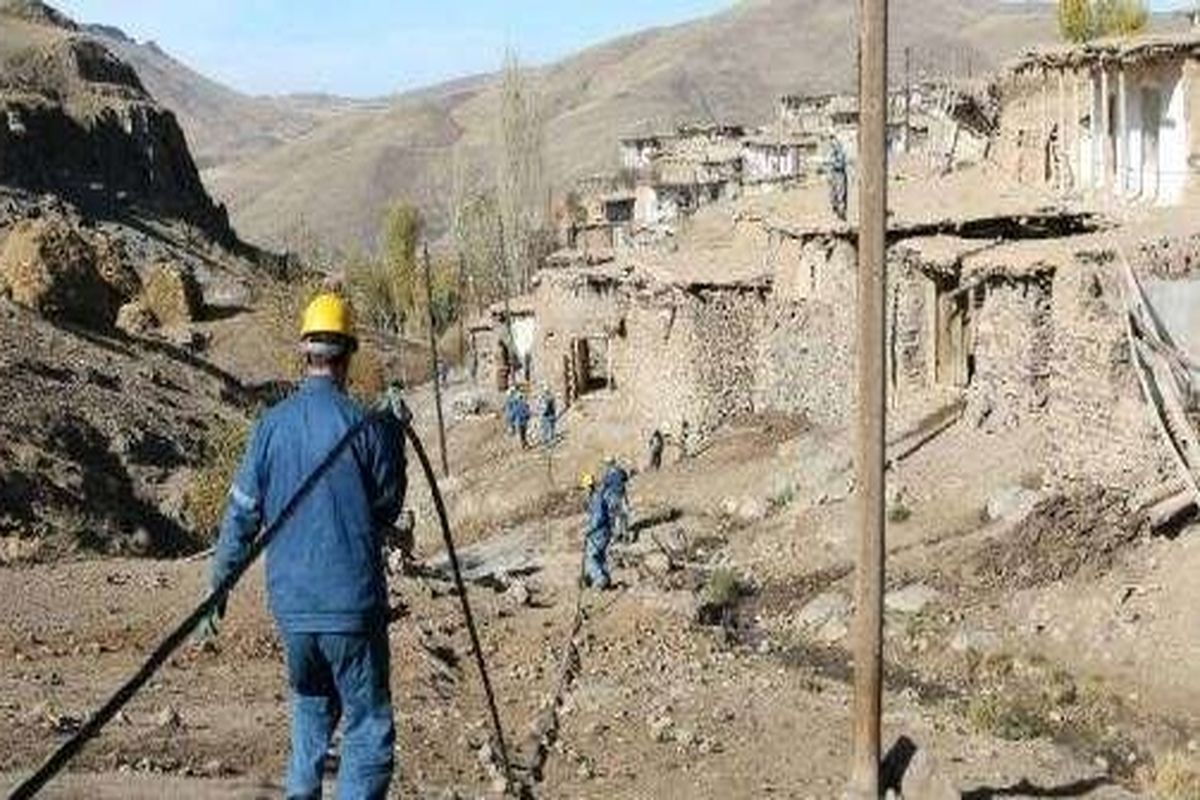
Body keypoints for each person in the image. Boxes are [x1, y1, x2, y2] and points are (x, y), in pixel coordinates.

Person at [199, 293, 407, 800]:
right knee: (367, 730)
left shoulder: (270, 427)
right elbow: (387, 506)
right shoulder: (365, 426)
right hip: (352, 609)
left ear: (304, 353)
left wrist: (217, 588)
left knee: (310, 719)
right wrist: (394, 436)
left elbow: (241, 515)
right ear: (348, 355)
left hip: (292, 613)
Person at [581, 471, 613, 590]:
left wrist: (588, 530)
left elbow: (598, 518)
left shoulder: (597, 499)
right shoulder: (594, 498)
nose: (583, 492)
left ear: (589, 487)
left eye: (584, 488)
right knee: (600, 557)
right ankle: (606, 579)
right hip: (602, 532)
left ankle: (600, 579)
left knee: (590, 557)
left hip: (600, 533)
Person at [602, 458, 632, 543]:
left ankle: (615, 537)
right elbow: (626, 478)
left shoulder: (607, 475)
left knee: (613, 518)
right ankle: (625, 536)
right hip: (622, 496)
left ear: (608, 464)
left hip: (613, 498)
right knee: (623, 517)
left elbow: (605, 487)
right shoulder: (620, 471)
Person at [828, 138, 848, 222]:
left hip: (840, 174)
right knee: (833, 194)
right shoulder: (833, 152)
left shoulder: (840, 153)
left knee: (840, 194)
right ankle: (836, 209)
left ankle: (842, 212)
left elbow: (840, 164)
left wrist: (832, 163)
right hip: (834, 175)